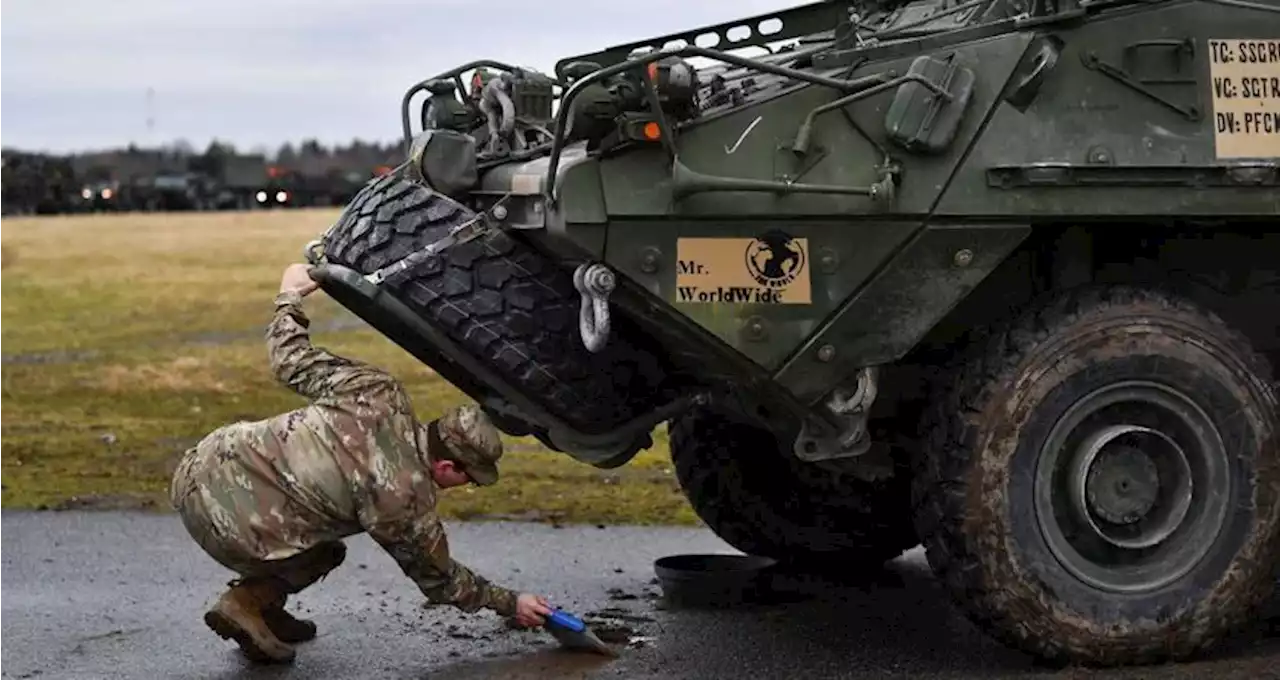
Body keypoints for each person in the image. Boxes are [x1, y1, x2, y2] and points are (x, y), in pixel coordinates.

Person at [168, 262, 553, 664]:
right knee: (326, 552)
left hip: (196, 470)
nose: (466, 486)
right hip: (230, 532)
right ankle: (246, 602)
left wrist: (290, 297)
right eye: (469, 479)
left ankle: (264, 610)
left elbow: (289, 360)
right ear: (448, 468)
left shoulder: (379, 392)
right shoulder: (405, 502)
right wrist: (512, 603)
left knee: (299, 522)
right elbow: (442, 582)